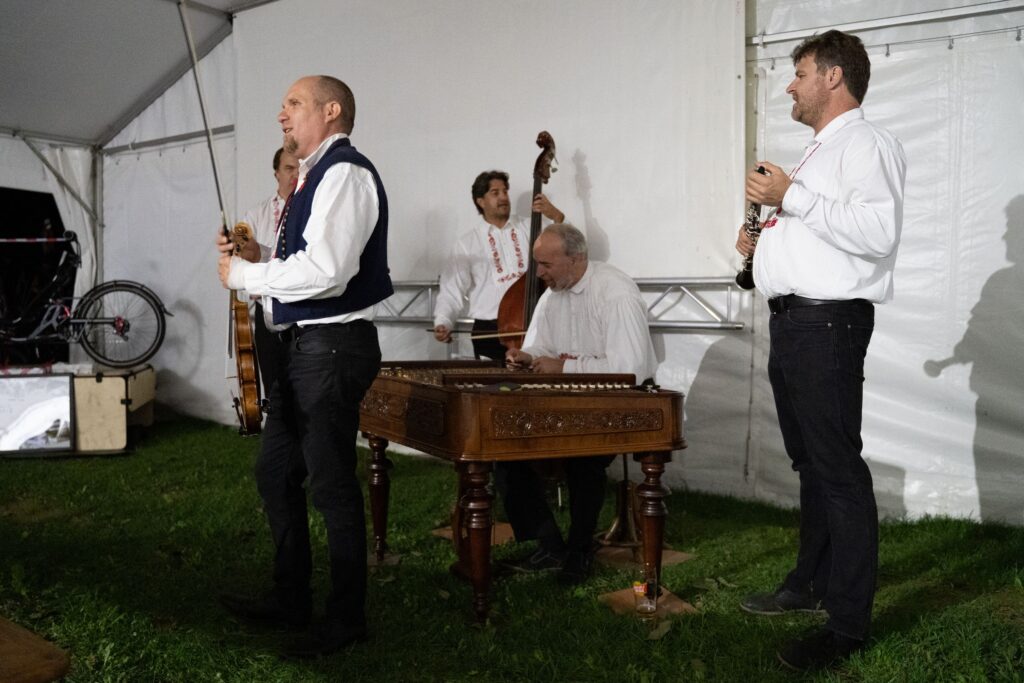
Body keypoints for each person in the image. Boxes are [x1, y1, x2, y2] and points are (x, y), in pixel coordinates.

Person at [735, 30, 906, 672]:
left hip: (826, 324)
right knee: (812, 462)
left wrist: (790, 197)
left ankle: (848, 624)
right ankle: (810, 581)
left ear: (833, 76)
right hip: (796, 323)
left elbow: (877, 231)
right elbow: (818, 228)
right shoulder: (818, 151)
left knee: (837, 469)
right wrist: (762, 247)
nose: (790, 84)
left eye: (800, 72)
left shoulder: (866, 144)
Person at [215, 74, 392, 658]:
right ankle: (291, 597)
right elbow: (309, 263)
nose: (282, 114)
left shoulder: (345, 173)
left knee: (332, 485)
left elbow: (327, 272)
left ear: (331, 110)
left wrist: (244, 275)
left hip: (331, 348)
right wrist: (260, 259)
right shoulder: (316, 176)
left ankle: (346, 620)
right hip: (306, 348)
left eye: (293, 103)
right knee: (276, 473)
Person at [503, 224, 657, 585]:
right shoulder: (551, 295)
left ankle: (579, 550)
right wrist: (527, 356)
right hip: (568, 402)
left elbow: (631, 370)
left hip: (618, 403)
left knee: (583, 457)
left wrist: (564, 368)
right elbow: (542, 346)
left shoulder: (615, 292)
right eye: (538, 264)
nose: (539, 273)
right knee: (504, 448)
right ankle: (549, 543)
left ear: (576, 259)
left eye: (546, 264)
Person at [433, 170, 564, 360]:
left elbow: (565, 251)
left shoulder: (530, 227)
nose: (503, 197)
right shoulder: (467, 243)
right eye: (495, 193)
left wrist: (557, 218)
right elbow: (451, 290)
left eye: (505, 191)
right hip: (490, 330)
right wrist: (443, 321)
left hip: (537, 322)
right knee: (494, 379)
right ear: (481, 201)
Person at [234, 147, 299, 395]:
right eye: (288, 168)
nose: (295, 175)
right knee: (274, 391)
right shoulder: (254, 214)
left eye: (299, 169)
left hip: (305, 315)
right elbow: (235, 251)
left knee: (306, 394)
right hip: (267, 314)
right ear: (276, 174)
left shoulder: (312, 210)